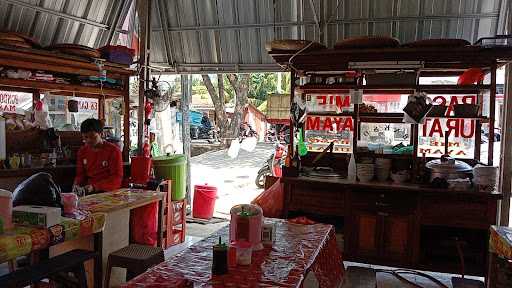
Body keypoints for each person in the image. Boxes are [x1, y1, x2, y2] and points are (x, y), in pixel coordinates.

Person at [73, 118, 123, 196]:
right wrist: (76, 185)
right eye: (85, 137)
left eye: (93, 137)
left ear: (101, 134)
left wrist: (95, 187)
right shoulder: (82, 151)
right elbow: (80, 175)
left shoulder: (113, 151)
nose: (89, 140)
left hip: (109, 192)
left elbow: (116, 178)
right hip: (89, 192)